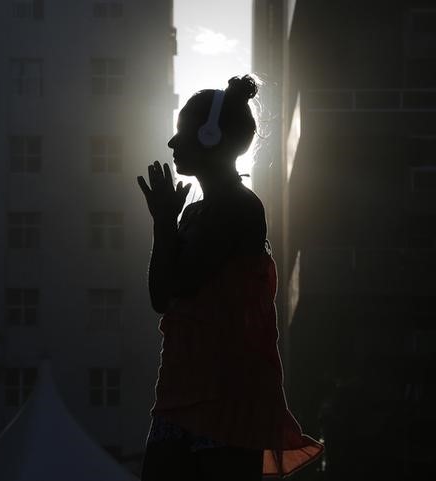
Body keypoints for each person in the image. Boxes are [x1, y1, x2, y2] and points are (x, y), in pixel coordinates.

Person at [137, 75, 323, 480]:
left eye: (183, 131)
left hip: (229, 396)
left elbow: (182, 284)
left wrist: (166, 225)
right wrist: (164, 224)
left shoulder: (240, 207)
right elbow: (160, 298)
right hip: (181, 389)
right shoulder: (194, 213)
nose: (172, 143)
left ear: (210, 135)